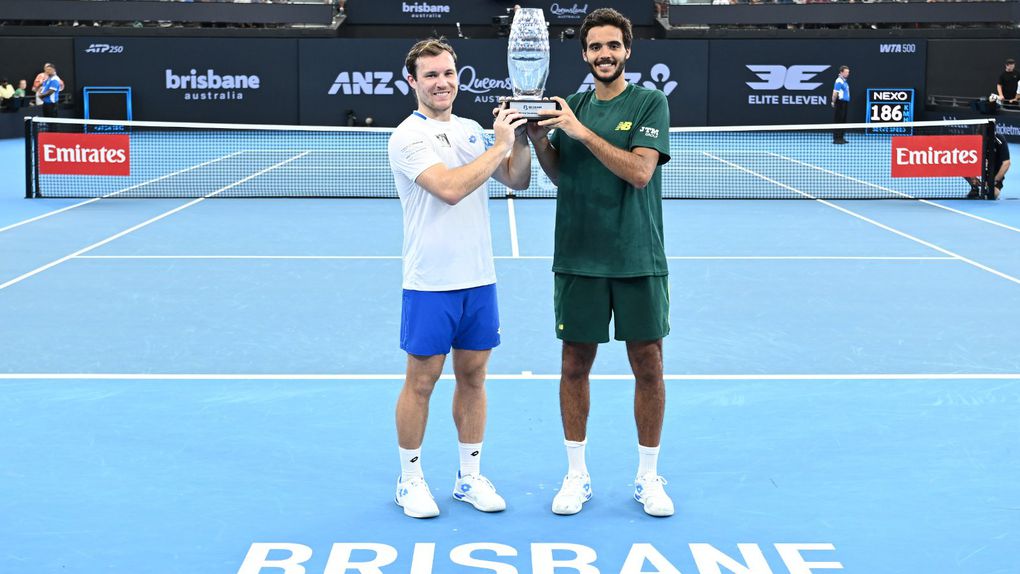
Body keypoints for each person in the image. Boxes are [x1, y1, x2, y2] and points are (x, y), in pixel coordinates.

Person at [526, 8, 674, 517]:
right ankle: (576, 475)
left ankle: (648, 477)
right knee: (573, 365)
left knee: (648, 365)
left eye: (613, 46)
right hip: (578, 256)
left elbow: (638, 172)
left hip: (636, 256)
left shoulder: (650, 102)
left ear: (627, 50)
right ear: (584, 53)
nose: (604, 55)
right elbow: (563, 176)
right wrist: (541, 139)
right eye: (595, 47)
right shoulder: (573, 105)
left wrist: (580, 130)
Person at [387, 38, 531, 519]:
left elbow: (517, 179)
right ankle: (409, 480)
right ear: (412, 81)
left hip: (478, 280)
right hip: (429, 283)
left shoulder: (472, 129)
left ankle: (469, 477)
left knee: (473, 377)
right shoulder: (407, 136)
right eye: (430, 75)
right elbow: (449, 189)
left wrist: (521, 136)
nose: (441, 82)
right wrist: (500, 147)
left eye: (448, 73)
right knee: (421, 382)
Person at [967, 133, 1010, 199]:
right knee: (958, 166)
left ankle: (988, 188)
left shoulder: (1000, 140)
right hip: (979, 167)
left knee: (993, 194)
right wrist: (972, 176)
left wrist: (994, 181)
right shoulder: (974, 139)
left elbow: (1006, 163)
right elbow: (964, 160)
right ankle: (974, 187)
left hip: (994, 172)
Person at [831, 65, 850, 144]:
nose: (847, 74)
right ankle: (837, 138)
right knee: (838, 120)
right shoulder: (839, 81)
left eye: (848, 72)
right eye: (846, 72)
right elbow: (835, 92)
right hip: (840, 103)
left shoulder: (844, 81)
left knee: (843, 120)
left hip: (845, 103)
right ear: (841, 72)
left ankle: (841, 137)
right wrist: (833, 101)